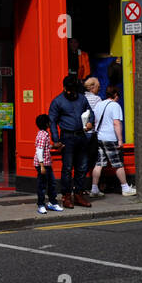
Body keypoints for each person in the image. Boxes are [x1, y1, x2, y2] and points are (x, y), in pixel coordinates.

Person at [48, 75, 91, 209]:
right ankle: (66, 196)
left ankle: (78, 194)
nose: (70, 93)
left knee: (82, 167)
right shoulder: (57, 101)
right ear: (64, 87)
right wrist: (56, 140)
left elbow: (90, 112)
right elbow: (52, 122)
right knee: (67, 168)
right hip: (67, 137)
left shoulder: (82, 99)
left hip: (81, 136)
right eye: (68, 90)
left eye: (72, 90)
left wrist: (90, 122)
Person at [88, 85, 135, 198]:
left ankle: (94, 189)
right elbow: (116, 123)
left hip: (99, 138)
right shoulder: (115, 105)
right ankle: (125, 188)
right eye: (118, 95)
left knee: (98, 164)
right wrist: (120, 139)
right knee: (118, 163)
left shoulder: (99, 104)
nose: (118, 97)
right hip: (110, 138)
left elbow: (94, 120)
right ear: (115, 95)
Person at [34, 114, 62, 215]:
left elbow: (45, 147)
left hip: (47, 164)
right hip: (43, 165)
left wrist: (54, 146)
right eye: (49, 122)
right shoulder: (42, 135)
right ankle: (41, 205)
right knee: (42, 185)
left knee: (51, 184)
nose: (51, 123)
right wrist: (41, 166)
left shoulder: (44, 134)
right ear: (46, 123)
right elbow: (39, 150)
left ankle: (52, 202)